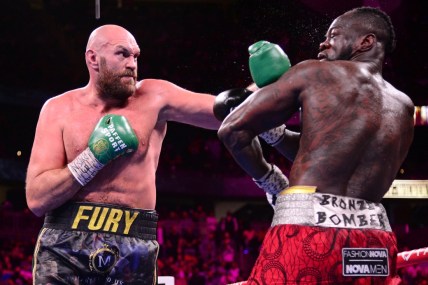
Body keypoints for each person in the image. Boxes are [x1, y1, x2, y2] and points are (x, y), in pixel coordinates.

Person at [217, 6, 414, 285]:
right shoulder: (404, 106)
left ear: (365, 42)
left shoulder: (314, 72)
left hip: (309, 231)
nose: (324, 42)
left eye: (333, 35)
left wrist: (271, 181)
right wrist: (274, 134)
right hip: (374, 238)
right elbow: (327, 152)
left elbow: (232, 129)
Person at [25, 24, 221, 285]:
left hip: (134, 243)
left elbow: (224, 113)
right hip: (65, 243)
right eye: (122, 54)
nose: (132, 64)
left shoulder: (155, 97)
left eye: (135, 56)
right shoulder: (58, 109)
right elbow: (37, 199)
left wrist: (271, 91)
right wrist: (93, 158)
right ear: (93, 58)